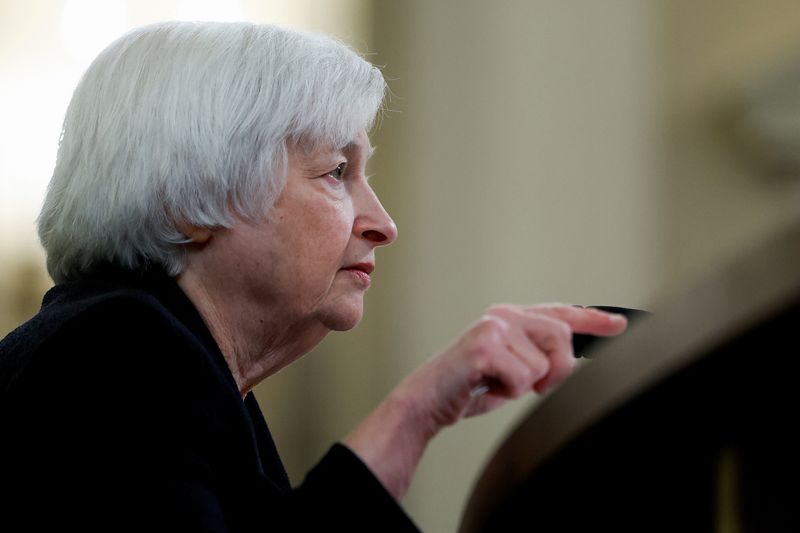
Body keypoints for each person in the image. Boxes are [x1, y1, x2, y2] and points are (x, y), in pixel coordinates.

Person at [0, 21, 627, 531]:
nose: (383, 223)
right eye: (336, 172)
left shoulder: (170, 363)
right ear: (187, 204)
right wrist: (416, 411)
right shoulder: (116, 352)